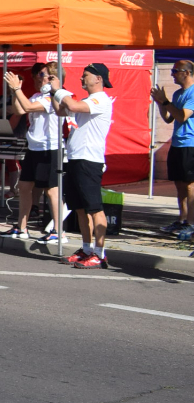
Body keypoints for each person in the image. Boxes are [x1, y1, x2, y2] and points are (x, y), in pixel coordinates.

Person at [54, 63, 114, 267]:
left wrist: (59, 90)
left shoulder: (101, 99)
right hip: (75, 158)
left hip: (90, 160)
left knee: (94, 208)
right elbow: (62, 111)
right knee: (79, 208)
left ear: (99, 78)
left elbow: (71, 106)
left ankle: (100, 252)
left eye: (85, 75)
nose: (82, 78)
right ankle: (87, 249)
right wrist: (53, 91)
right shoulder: (87, 100)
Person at [2, 63, 70, 242]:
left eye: (42, 74)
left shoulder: (55, 97)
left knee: (52, 191)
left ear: (53, 78)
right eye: (39, 74)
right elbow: (20, 109)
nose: (39, 77)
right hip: (34, 147)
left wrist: (17, 89)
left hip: (50, 148)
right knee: (24, 187)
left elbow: (30, 108)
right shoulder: (37, 95)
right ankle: (21, 227)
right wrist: (14, 91)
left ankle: (58, 230)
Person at [154, 60, 194, 235]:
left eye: (175, 71)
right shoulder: (178, 94)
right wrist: (159, 103)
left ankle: (191, 223)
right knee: (179, 184)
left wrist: (165, 102)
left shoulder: (193, 93)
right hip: (177, 144)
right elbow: (170, 118)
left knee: (190, 186)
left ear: (186, 72)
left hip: (190, 144)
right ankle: (182, 219)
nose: (172, 74)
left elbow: (182, 116)